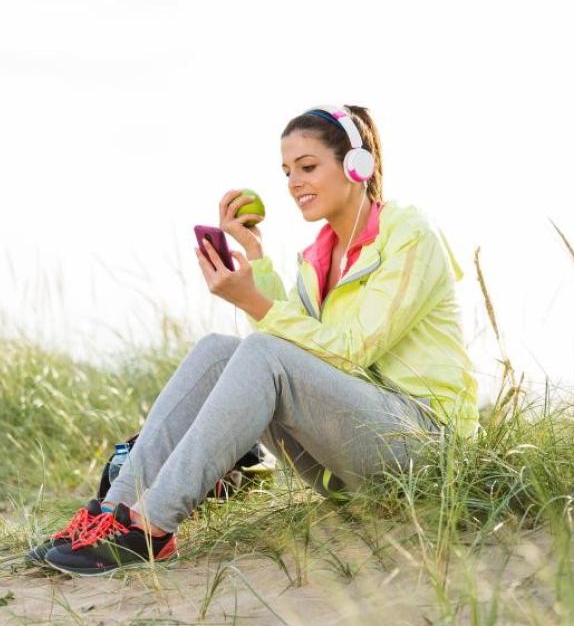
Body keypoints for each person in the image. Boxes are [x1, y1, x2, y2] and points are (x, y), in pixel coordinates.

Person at [29, 104, 480, 576]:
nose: (294, 183)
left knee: (262, 350)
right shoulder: (317, 257)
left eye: (307, 167)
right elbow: (301, 353)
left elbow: (350, 350)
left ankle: (151, 527)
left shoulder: (409, 236)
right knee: (218, 350)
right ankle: (110, 513)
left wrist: (255, 301)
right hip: (355, 452)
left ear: (356, 165)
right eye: (287, 172)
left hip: (424, 447)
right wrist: (256, 257)